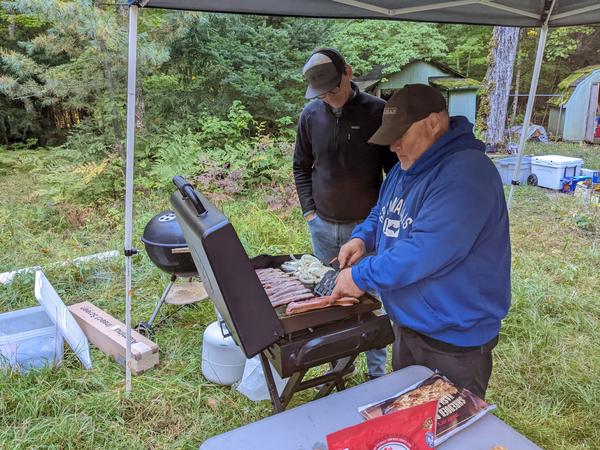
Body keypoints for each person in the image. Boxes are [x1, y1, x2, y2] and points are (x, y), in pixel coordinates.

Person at [332, 84, 511, 399]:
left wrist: (361, 275)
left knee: (446, 434)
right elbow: (383, 211)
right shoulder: (407, 166)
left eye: (401, 134)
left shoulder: (466, 174)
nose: (394, 145)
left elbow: (424, 251)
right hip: (409, 325)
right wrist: (362, 238)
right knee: (407, 422)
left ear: (433, 123)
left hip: (453, 340)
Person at [294, 48, 396, 379]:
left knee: (371, 301)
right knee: (329, 295)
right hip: (322, 226)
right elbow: (301, 167)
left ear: (348, 73)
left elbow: (395, 175)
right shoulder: (310, 116)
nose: (329, 97)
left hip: (365, 231)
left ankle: (376, 372)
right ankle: (340, 365)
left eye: (333, 89)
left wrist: (377, 226)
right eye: (322, 93)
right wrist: (310, 212)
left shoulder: (378, 112)